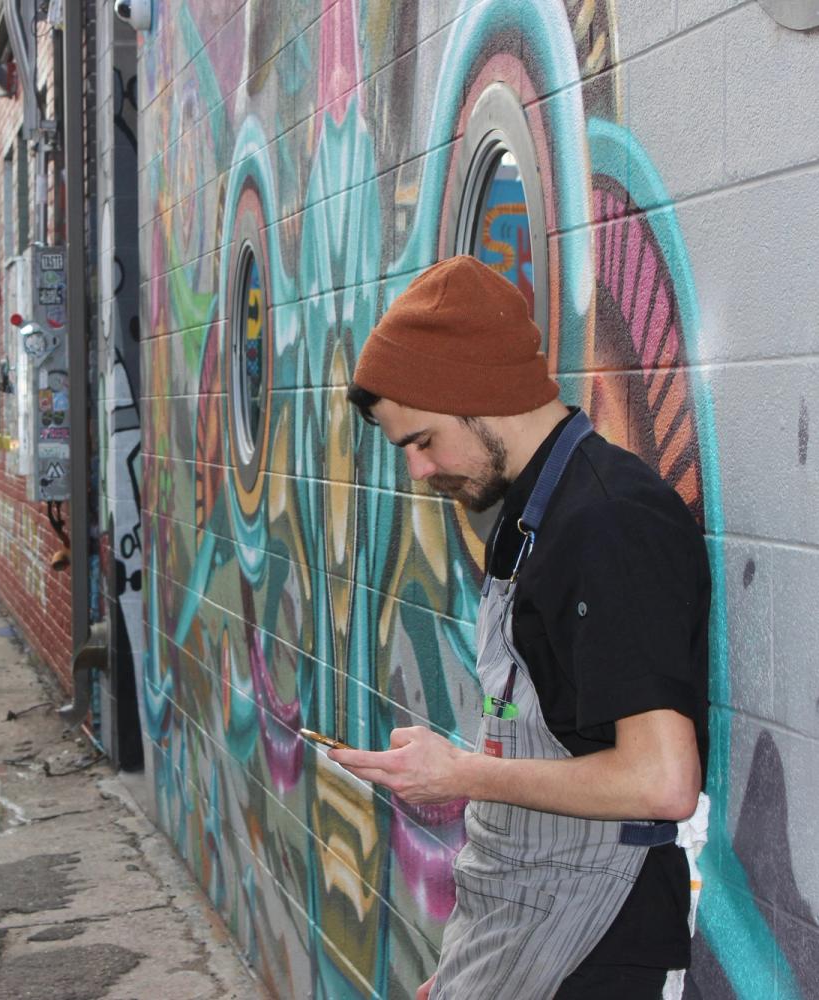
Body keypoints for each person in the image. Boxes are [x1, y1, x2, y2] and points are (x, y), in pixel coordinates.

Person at [331, 256, 710, 999]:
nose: (418, 470)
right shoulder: (536, 517)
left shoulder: (608, 524)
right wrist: (473, 968)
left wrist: (459, 773)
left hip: (595, 937)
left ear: (480, 396)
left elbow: (663, 782)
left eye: (423, 441)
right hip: (530, 924)